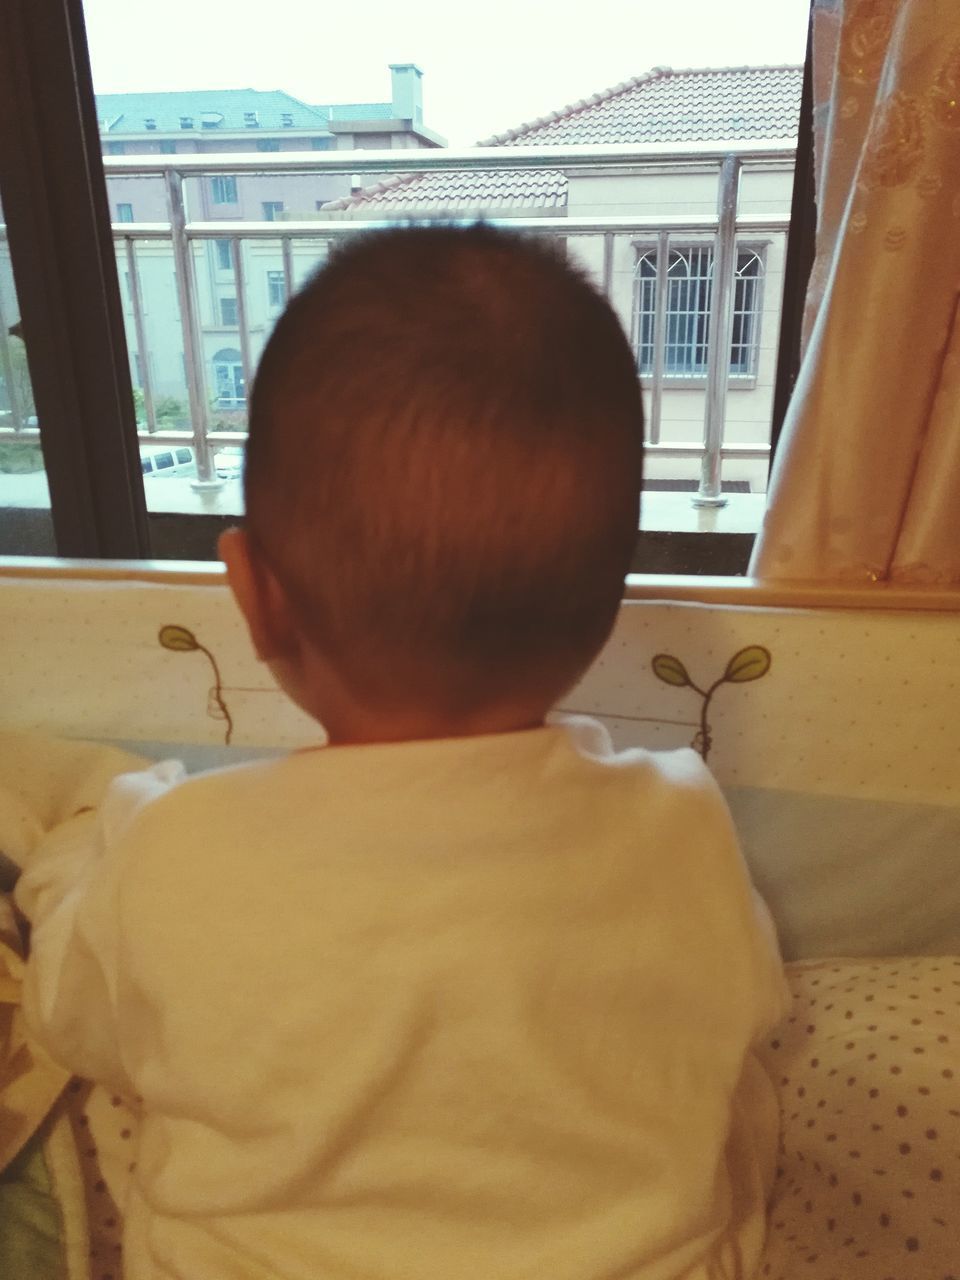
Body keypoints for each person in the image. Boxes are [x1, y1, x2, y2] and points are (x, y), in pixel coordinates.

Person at [16, 225, 788, 1280]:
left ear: (254, 594)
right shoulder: (685, 821)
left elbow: (72, 1012)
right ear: (608, 617)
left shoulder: (173, 843)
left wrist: (77, 854)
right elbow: (748, 1005)